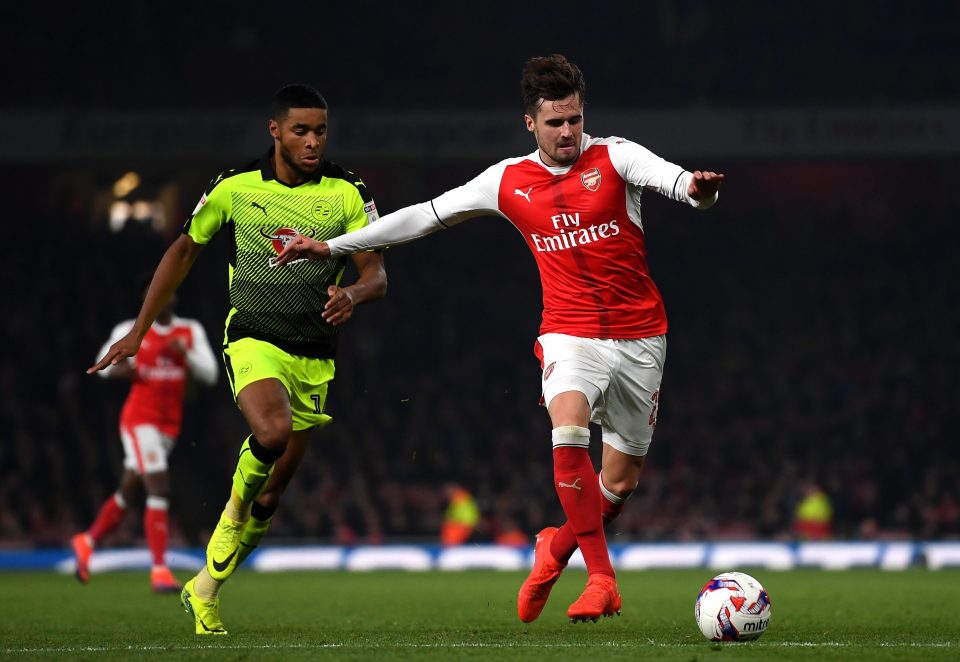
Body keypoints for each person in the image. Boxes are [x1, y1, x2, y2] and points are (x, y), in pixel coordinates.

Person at [275, 54, 724, 624]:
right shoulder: (507, 180)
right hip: (568, 333)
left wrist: (701, 191)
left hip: (642, 339)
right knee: (568, 431)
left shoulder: (616, 156)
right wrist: (334, 246)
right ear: (530, 124)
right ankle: (603, 580)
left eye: (575, 120)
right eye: (555, 123)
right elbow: (424, 216)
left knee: (619, 483)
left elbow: (679, 183)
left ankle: (554, 549)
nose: (568, 133)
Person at [88, 84, 388, 635]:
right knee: (270, 434)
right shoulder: (234, 188)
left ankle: (204, 590)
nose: (313, 140)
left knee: (272, 497)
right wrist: (139, 330)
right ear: (274, 130)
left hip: (315, 354)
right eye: (301, 130)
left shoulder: (348, 192)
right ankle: (229, 515)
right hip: (252, 337)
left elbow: (377, 272)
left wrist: (354, 293)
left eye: (320, 130)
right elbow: (182, 251)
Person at [72, 292, 218, 593]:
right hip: (139, 422)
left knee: (128, 491)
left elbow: (211, 375)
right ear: (148, 298)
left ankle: (87, 540)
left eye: (171, 290)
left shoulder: (189, 331)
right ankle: (160, 570)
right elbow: (104, 366)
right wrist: (119, 369)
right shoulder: (131, 329)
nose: (167, 295)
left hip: (169, 427)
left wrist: (186, 355)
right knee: (159, 487)